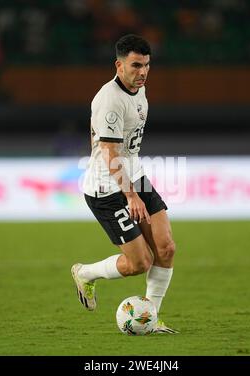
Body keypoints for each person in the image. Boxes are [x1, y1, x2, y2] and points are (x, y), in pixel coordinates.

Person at [72, 34, 178, 334]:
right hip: (107, 189)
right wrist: (131, 195)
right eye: (135, 66)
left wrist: (134, 187)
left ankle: (151, 318)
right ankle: (85, 273)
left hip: (133, 176)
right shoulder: (110, 99)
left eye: (146, 65)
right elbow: (108, 153)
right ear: (119, 65)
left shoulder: (138, 90)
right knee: (140, 262)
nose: (142, 72)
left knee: (166, 248)